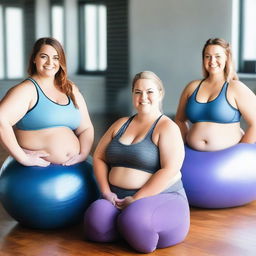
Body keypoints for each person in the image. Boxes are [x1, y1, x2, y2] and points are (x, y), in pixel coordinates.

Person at [84, 71, 190, 253]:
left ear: (160, 93)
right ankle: (125, 227)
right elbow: (99, 157)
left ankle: (131, 225)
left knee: (133, 221)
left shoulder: (166, 127)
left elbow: (170, 169)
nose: (143, 97)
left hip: (160, 198)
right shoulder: (121, 123)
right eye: (137, 92)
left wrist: (136, 198)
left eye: (149, 91)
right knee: (95, 221)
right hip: (116, 197)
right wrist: (106, 192)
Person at [0, 37, 94, 166]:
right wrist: (23, 158)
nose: (50, 62)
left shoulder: (69, 88)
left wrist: (83, 154)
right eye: (44, 56)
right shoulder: (27, 90)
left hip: (74, 169)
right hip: (37, 174)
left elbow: (86, 128)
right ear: (34, 59)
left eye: (56, 57)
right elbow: (1, 119)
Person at [175, 38, 256, 151]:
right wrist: (183, 144)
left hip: (229, 158)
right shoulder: (192, 87)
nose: (212, 61)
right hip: (192, 156)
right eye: (207, 56)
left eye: (218, 56)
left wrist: (241, 152)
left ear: (227, 58)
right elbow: (179, 120)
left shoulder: (235, 87)